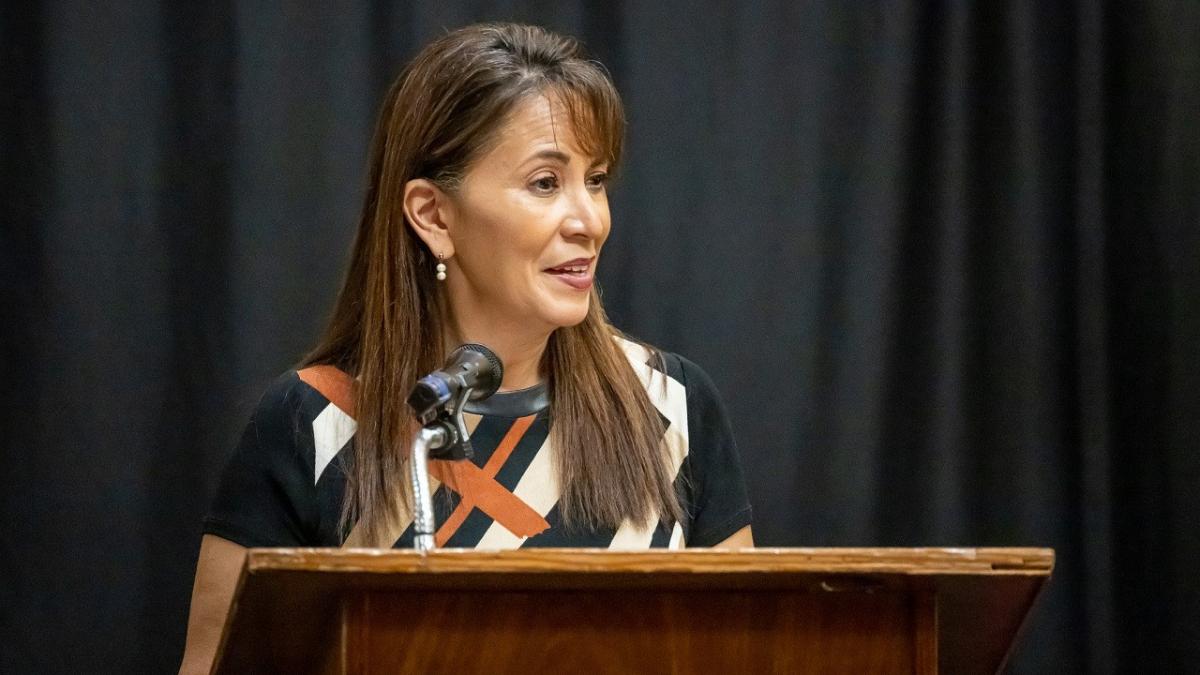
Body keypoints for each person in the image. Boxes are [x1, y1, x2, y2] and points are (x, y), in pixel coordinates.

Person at [178, 22, 752, 673]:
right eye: (545, 182)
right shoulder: (315, 423)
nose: (589, 219)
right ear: (432, 215)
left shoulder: (673, 406)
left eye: (594, 180)